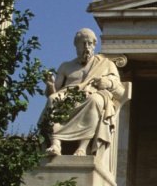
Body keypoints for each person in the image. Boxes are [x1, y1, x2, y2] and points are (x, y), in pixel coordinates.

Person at [42, 28, 126, 157]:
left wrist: (107, 83)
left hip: (90, 96)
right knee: (53, 99)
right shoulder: (66, 66)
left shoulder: (106, 64)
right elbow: (52, 93)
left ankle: (82, 147)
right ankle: (56, 143)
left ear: (94, 45)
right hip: (67, 96)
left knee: (95, 100)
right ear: (76, 46)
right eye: (83, 44)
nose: (87, 47)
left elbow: (120, 92)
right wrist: (50, 85)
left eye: (90, 43)